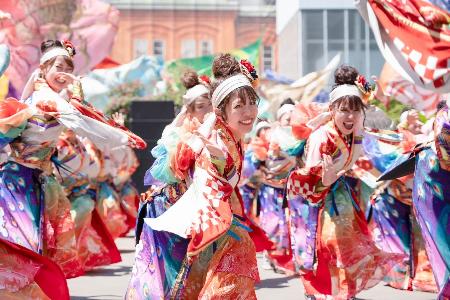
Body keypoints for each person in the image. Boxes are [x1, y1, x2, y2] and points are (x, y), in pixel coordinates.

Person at [0, 39, 140, 278]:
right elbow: (81, 121)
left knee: (35, 238)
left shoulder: (43, 93)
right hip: (18, 178)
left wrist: (117, 133)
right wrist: (121, 137)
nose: (64, 74)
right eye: (59, 68)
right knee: (23, 237)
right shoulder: (47, 98)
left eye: (68, 69)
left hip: (38, 179)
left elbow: (79, 117)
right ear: (45, 68)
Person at [127, 54, 260, 299]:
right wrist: (218, 160)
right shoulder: (202, 135)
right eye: (239, 106)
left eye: (252, 103)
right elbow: (200, 180)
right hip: (180, 208)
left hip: (206, 209)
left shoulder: (228, 133)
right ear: (221, 110)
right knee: (231, 250)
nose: (248, 112)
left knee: (222, 262)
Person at [286, 65, 402, 300]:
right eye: (344, 110)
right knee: (333, 245)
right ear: (332, 110)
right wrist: (325, 180)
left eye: (355, 111)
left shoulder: (354, 132)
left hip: (343, 197)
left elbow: (374, 138)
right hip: (316, 202)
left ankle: (342, 293)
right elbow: (308, 183)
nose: (350, 116)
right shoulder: (321, 136)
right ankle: (330, 292)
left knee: (349, 248)